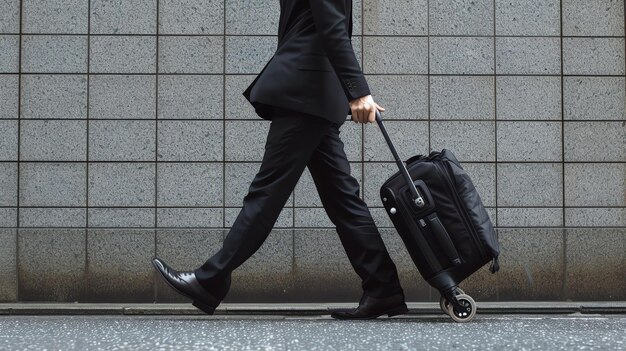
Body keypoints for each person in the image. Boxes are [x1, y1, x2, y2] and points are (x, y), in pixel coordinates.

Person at [152, 0, 407, 320]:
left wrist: (358, 92)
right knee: (343, 200)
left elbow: (333, 27)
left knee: (267, 192)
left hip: (306, 92)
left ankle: (210, 278)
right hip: (312, 90)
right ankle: (383, 288)